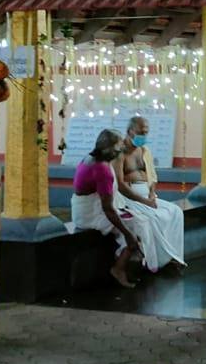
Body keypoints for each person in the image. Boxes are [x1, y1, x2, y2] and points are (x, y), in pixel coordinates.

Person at [70, 129, 146, 288]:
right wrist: (128, 234)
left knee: (133, 220)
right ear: (108, 148)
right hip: (91, 215)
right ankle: (119, 268)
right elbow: (108, 209)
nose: (120, 151)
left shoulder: (89, 158)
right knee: (135, 226)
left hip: (82, 211)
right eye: (118, 147)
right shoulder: (102, 169)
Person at [114, 116, 186, 272]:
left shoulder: (145, 151)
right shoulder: (120, 153)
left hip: (147, 195)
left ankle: (172, 256)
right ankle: (156, 263)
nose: (143, 136)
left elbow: (151, 176)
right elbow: (120, 185)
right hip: (129, 199)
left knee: (176, 212)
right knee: (154, 218)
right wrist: (144, 201)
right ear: (130, 131)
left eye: (146, 133)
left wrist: (152, 193)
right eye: (140, 133)